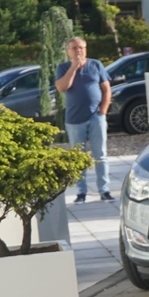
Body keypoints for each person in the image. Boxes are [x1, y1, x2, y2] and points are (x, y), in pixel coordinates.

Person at [55, 37, 113, 202]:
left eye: (81, 47)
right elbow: (61, 87)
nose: (78, 51)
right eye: (74, 48)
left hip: (96, 117)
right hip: (74, 120)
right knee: (78, 157)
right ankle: (81, 192)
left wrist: (103, 110)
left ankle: (104, 190)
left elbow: (106, 89)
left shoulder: (96, 65)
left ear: (85, 49)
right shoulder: (63, 68)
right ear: (68, 51)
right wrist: (73, 68)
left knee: (100, 154)